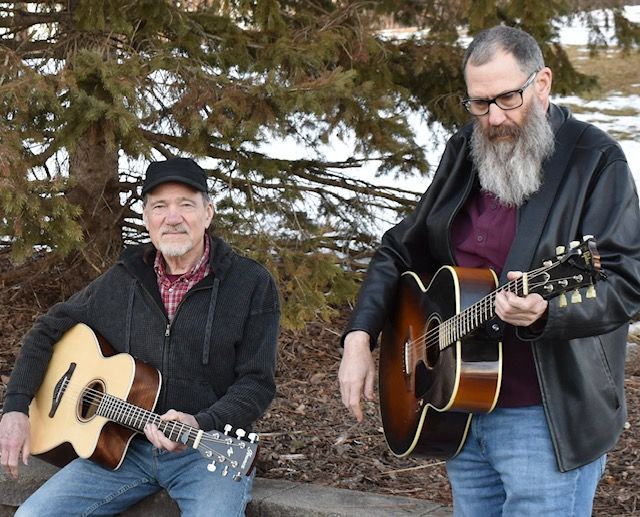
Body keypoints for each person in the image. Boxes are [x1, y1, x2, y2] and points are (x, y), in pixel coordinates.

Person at [338, 25, 640, 516]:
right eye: (479, 103)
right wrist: (358, 337)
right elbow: (400, 247)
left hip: (546, 417)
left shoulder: (595, 160)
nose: (494, 118)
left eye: (507, 98)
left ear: (542, 83)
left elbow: (626, 281)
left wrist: (545, 313)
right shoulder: (466, 149)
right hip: (459, 403)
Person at [0, 157, 280, 516]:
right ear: (147, 218)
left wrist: (200, 421)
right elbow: (48, 329)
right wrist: (16, 407)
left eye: (186, 205)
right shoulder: (125, 278)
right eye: (160, 206)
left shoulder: (251, 284)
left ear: (208, 213)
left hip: (208, 451)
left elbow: (257, 384)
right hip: (124, 449)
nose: (173, 217)